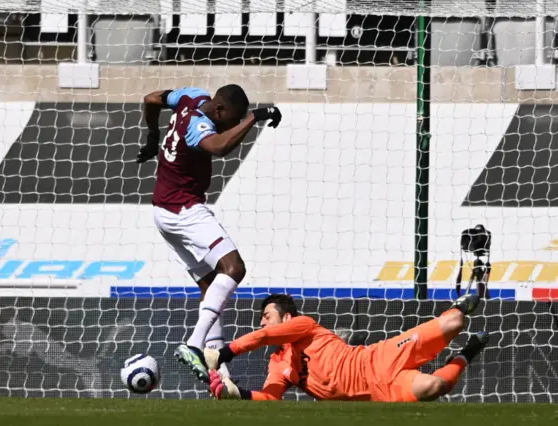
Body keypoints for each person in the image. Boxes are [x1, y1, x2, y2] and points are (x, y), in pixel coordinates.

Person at [137, 85, 282, 383]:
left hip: (162, 212)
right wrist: (253, 118)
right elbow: (218, 146)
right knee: (234, 268)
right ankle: (193, 345)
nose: (233, 125)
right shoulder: (199, 126)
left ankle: (218, 369)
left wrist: (153, 136)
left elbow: (151, 99)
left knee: (211, 287)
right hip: (184, 211)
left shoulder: (191, 96)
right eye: (233, 119)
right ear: (219, 111)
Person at [204, 293, 489, 402]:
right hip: (378, 391)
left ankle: (461, 304)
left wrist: (225, 353)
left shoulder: (302, 325)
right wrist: (237, 394)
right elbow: (270, 399)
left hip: (379, 357)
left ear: (286, 318)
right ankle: (466, 354)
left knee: (454, 321)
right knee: (436, 386)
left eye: (267, 316)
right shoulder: (277, 364)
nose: (263, 323)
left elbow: (263, 337)